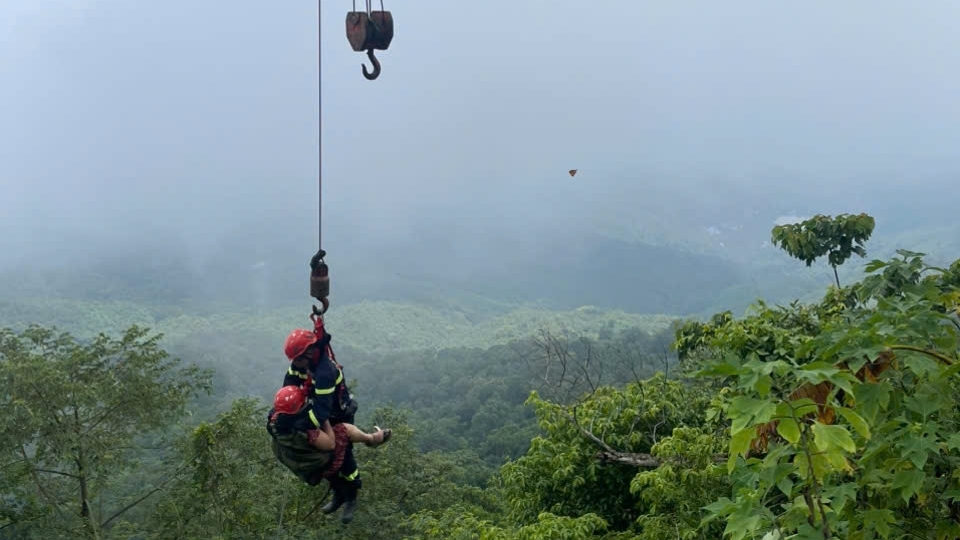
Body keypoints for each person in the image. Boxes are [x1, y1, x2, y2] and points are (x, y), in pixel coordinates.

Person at [279, 317, 374, 523]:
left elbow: (321, 411)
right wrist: (285, 411)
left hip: (336, 413)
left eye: (297, 360)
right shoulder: (303, 362)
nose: (294, 364)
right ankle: (338, 493)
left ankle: (351, 496)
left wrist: (298, 423)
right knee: (325, 460)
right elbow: (290, 383)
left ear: (308, 354)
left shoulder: (324, 372)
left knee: (343, 457)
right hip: (319, 409)